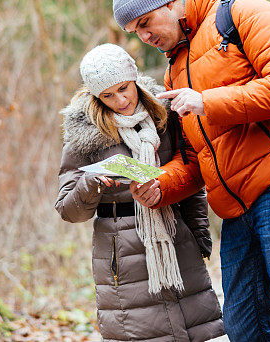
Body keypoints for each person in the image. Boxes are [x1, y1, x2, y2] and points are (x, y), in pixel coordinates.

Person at [112, 0, 270, 342]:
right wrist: (160, 185)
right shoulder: (174, 68)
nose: (145, 37)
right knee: (244, 329)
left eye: (146, 23)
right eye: (136, 31)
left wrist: (207, 102)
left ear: (167, 1)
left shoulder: (242, 12)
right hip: (235, 209)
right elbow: (196, 157)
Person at [55, 43, 225, 342]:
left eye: (124, 88)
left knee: (198, 330)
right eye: (107, 95)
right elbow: (69, 210)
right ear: (96, 96)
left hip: (176, 238)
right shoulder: (84, 134)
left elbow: (190, 181)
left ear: (134, 79)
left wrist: (198, 236)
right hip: (121, 251)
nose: (120, 100)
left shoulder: (166, 114)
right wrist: (91, 184)